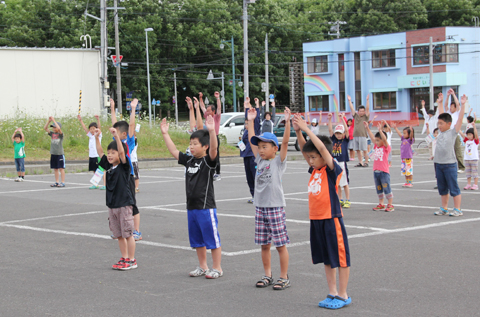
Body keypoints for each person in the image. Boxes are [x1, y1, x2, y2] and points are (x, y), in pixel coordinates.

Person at [292, 114, 351, 310]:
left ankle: (343, 294)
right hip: (316, 219)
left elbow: (323, 150)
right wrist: (298, 130)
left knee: (340, 258)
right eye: (309, 158)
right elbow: (305, 149)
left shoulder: (331, 169)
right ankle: (332, 291)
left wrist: (307, 129)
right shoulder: (315, 170)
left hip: (331, 219)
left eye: (313, 157)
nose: (310, 160)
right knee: (327, 258)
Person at [161, 115, 224, 279]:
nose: (191, 147)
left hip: (206, 207)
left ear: (205, 147)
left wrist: (211, 131)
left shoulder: (208, 162)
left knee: (212, 240)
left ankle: (217, 267)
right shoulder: (189, 161)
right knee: (197, 240)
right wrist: (165, 134)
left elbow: (214, 150)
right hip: (192, 208)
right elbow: (174, 151)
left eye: (195, 144)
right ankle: (203, 266)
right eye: (190, 144)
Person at [247, 106, 291, 290]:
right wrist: (250, 121)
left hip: (275, 207)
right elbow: (251, 142)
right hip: (260, 207)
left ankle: (283, 276)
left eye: (265, 147)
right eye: (260, 147)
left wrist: (288, 122)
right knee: (264, 245)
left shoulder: (277, 162)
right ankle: (267, 275)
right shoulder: (259, 160)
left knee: (280, 244)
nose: (261, 150)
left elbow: (286, 143)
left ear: (275, 148)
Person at [95, 127, 137, 270]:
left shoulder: (124, 166)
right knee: (119, 235)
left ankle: (131, 260)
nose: (110, 155)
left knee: (128, 234)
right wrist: (96, 138)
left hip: (124, 204)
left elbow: (122, 152)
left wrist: (117, 138)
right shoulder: (108, 166)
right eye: (109, 153)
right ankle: (124, 257)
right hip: (112, 205)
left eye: (113, 153)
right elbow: (100, 152)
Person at [111, 98, 142, 241]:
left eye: (116, 131)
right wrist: (112, 108)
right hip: (117, 177)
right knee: (119, 204)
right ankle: (120, 230)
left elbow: (131, 125)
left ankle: (136, 231)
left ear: (123, 134)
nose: (114, 133)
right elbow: (114, 124)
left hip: (127, 176)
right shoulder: (116, 142)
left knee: (132, 204)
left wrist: (133, 109)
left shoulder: (128, 141)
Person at [434, 92, 466, 217]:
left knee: (454, 188)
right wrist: (441, 102)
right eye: (438, 124)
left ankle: (457, 209)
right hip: (438, 164)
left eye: (441, 124)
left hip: (449, 164)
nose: (439, 126)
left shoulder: (453, 132)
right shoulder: (441, 133)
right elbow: (442, 114)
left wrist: (463, 105)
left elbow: (459, 118)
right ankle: (444, 208)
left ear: (448, 124)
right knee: (442, 188)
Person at [365, 121, 394, 212]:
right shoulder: (376, 147)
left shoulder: (386, 148)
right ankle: (381, 203)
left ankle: (390, 204)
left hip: (384, 172)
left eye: (378, 140)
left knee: (386, 187)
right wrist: (367, 128)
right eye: (376, 140)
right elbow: (372, 137)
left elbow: (385, 140)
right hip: (376, 171)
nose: (376, 142)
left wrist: (380, 131)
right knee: (379, 188)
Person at [327, 112, 351, 208]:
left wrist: (343, 119)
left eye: (340, 133)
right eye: (337, 133)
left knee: (344, 183)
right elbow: (329, 130)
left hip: (342, 163)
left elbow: (347, 131)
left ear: (343, 134)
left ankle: (347, 199)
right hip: (335, 162)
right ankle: (340, 199)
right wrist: (329, 119)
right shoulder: (333, 140)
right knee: (338, 183)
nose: (338, 135)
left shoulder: (345, 140)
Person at [240, 98, 261, 203]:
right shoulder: (245, 132)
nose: (246, 124)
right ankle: (253, 195)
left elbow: (254, 120)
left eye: (248, 122)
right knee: (249, 177)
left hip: (253, 156)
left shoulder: (255, 130)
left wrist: (253, 106)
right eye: (245, 123)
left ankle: (258, 195)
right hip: (246, 155)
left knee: (254, 176)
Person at [198, 92, 222, 181]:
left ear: (213, 111)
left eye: (209, 111)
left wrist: (218, 98)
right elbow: (202, 107)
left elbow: (219, 108)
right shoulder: (207, 116)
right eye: (207, 111)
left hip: (214, 137)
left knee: (215, 155)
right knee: (206, 155)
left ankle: (218, 173)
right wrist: (200, 98)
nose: (207, 112)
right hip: (207, 138)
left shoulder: (216, 117)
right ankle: (209, 172)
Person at [78, 114, 105, 189]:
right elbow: (84, 128)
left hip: (97, 155)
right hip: (92, 155)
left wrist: (98, 120)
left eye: (94, 128)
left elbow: (99, 128)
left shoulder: (98, 135)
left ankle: (105, 185)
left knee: (101, 170)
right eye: (91, 129)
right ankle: (95, 184)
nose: (92, 130)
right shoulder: (90, 135)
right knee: (94, 170)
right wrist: (80, 120)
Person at [442, 89, 465, 173]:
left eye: (452, 106)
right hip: (448, 135)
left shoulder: (457, 113)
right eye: (450, 106)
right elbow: (445, 105)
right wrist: (447, 96)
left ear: (455, 108)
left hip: (456, 135)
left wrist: (454, 95)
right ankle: (451, 166)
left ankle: (462, 167)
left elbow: (458, 104)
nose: (450, 108)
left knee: (457, 151)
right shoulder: (449, 113)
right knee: (449, 152)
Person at [347, 94, 370, 167]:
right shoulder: (356, 116)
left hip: (363, 135)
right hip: (355, 135)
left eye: (363, 111)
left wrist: (367, 100)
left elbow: (368, 109)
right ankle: (360, 162)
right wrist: (349, 101)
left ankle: (366, 162)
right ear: (358, 111)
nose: (362, 112)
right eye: (360, 111)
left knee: (364, 150)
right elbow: (352, 109)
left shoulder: (365, 117)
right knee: (357, 150)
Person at [44, 117, 65, 187]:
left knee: (61, 168)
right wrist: (49, 121)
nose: (53, 128)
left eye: (54, 127)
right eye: (53, 127)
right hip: (53, 153)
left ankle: (62, 182)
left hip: (60, 154)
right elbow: (45, 128)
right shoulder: (52, 134)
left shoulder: (60, 135)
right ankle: (57, 181)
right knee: (55, 168)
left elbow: (59, 129)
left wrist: (54, 120)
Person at [392, 123, 415, 187]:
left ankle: (410, 182)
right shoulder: (403, 139)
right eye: (403, 133)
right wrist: (395, 128)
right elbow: (399, 134)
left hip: (408, 158)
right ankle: (406, 182)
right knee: (404, 170)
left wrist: (411, 131)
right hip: (403, 158)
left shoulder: (410, 140)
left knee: (409, 170)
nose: (403, 134)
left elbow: (411, 136)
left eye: (405, 133)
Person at [459, 120, 479, 190]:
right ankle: (468, 184)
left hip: (474, 159)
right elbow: (462, 134)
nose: (469, 136)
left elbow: (476, 135)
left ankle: (475, 185)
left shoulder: (475, 141)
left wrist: (474, 126)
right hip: (467, 159)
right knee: (468, 173)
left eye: (470, 134)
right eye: (468, 135)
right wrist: (458, 127)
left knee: (474, 173)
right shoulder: (467, 140)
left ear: (473, 135)